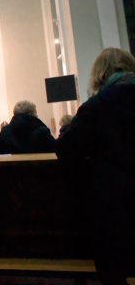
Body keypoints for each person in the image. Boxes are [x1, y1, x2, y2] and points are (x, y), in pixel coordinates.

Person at [56, 48, 135, 284]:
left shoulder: (98, 106)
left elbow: (66, 149)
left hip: (116, 204)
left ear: (99, 74)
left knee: (115, 269)